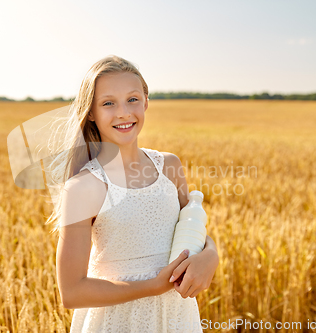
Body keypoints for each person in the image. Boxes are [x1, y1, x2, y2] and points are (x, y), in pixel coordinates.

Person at [46, 55, 219, 333]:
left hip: (176, 317)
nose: (124, 113)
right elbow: (72, 291)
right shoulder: (83, 187)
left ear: (146, 101)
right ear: (90, 111)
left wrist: (211, 255)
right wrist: (152, 287)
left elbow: (192, 228)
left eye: (133, 99)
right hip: (117, 322)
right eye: (108, 103)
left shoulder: (169, 166)